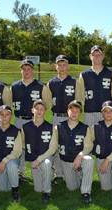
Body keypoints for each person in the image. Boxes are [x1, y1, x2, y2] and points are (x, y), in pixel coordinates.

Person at [11, 59, 52, 183]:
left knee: (37, 145)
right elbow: (9, 103)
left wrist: (39, 115)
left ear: (33, 70)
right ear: (21, 70)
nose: (26, 71)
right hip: (19, 120)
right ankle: (20, 172)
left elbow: (48, 103)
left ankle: (40, 169)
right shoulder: (14, 86)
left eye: (29, 68)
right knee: (20, 147)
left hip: (35, 121)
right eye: (24, 68)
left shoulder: (40, 86)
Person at [55, 100, 94, 204]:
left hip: (80, 159)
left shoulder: (85, 128)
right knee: (72, 188)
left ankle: (86, 192)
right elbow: (53, 146)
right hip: (66, 161)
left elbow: (89, 146)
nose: (74, 113)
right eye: (72, 110)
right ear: (67, 111)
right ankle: (81, 176)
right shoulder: (59, 127)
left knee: (89, 160)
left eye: (77, 111)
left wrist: (80, 155)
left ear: (81, 113)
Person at [47, 55, 78, 185]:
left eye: (64, 64)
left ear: (68, 66)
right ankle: (58, 173)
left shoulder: (74, 81)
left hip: (70, 118)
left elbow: (79, 101)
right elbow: (47, 102)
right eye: (59, 65)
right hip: (56, 117)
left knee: (72, 144)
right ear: (56, 66)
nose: (62, 67)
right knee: (57, 145)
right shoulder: (51, 83)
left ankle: (73, 171)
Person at [21, 100, 58, 204]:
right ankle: (48, 176)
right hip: (34, 160)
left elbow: (53, 148)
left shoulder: (51, 127)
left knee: (46, 164)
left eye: (42, 109)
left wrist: (40, 159)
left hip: (46, 157)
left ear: (45, 111)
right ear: (32, 110)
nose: (39, 111)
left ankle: (47, 192)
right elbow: (23, 143)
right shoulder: (26, 127)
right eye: (37, 109)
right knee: (37, 189)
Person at [77, 45, 112, 127]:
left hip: (106, 113)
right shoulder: (84, 74)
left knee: (105, 138)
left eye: (99, 55)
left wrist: (110, 109)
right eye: (94, 55)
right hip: (89, 113)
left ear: (103, 56)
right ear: (90, 56)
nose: (97, 57)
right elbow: (81, 95)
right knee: (88, 138)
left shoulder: (111, 73)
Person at [0, 105, 23, 202]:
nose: (4, 117)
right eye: (2, 114)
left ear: (11, 116)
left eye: (7, 114)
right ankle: (14, 179)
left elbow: (17, 151)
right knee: (3, 189)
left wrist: (5, 161)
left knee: (11, 165)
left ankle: (15, 191)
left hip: (12, 160)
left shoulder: (16, 131)